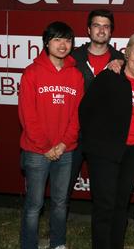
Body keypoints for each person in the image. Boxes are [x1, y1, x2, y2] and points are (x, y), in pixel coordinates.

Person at [80, 32, 134, 249]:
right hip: (104, 153)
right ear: (126, 53)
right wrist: (96, 142)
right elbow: (86, 110)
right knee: (105, 206)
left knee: (121, 205)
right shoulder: (109, 76)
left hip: (132, 153)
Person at [18, 21, 84, 249]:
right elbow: (27, 115)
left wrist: (64, 144)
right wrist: (46, 146)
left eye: (67, 40)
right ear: (47, 43)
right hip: (37, 151)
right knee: (34, 204)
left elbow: (77, 115)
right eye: (57, 39)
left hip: (66, 151)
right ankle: (29, 245)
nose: (63, 45)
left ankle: (58, 243)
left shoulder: (76, 75)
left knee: (60, 202)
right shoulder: (32, 73)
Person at [68, 9, 124, 199]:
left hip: (105, 136)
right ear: (88, 30)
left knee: (104, 191)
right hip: (74, 132)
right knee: (64, 187)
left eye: (106, 26)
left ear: (111, 31)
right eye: (96, 25)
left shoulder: (121, 61)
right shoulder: (72, 59)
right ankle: (57, 228)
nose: (101, 30)